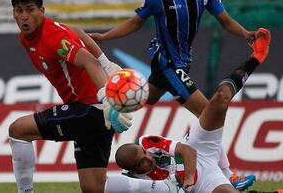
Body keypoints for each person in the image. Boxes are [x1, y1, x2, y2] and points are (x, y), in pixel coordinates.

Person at [89, 0, 257, 188]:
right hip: (168, 65)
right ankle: (229, 176)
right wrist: (105, 36)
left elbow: (225, 19)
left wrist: (245, 32)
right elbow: (136, 22)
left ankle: (109, 105)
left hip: (181, 62)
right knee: (208, 113)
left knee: (148, 98)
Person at [105, 28, 271, 192]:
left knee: (219, 100)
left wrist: (189, 178)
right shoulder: (135, 183)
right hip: (202, 180)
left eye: (144, 154)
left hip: (196, 147)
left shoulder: (147, 143)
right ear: (133, 171)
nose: (148, 157)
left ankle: (256, 58)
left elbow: (187, 150)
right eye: (142, 162)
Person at [8, 0, 132, 192]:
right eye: (19, 10)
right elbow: (78, 32)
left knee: (18, 130)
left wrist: (107, 100)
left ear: (42, 11)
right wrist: (107, 64)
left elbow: (88, 62)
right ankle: (161, 187)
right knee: (94, 188)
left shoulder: (53, 37)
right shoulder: (29, 37)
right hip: (94, 110)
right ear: (13, 13)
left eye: (30, 10)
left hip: (91, 108)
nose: (24, 16)